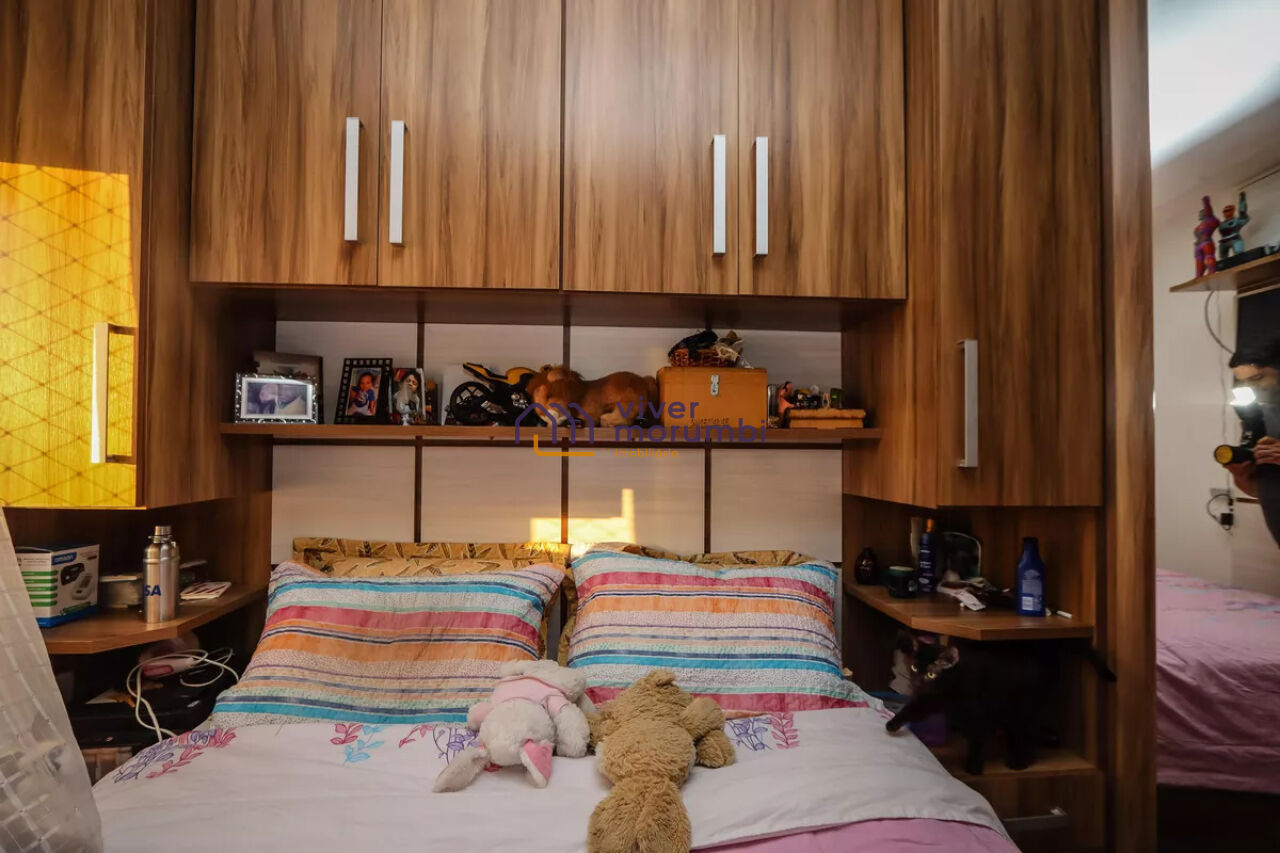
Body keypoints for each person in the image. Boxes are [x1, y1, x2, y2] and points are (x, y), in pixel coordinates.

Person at [1223, 336, 1280, 547]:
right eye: (1243, 381)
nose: (1251, 388)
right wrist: (1243, 478)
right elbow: (1260, 489)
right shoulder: (1257, 418)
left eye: (1257, 378)